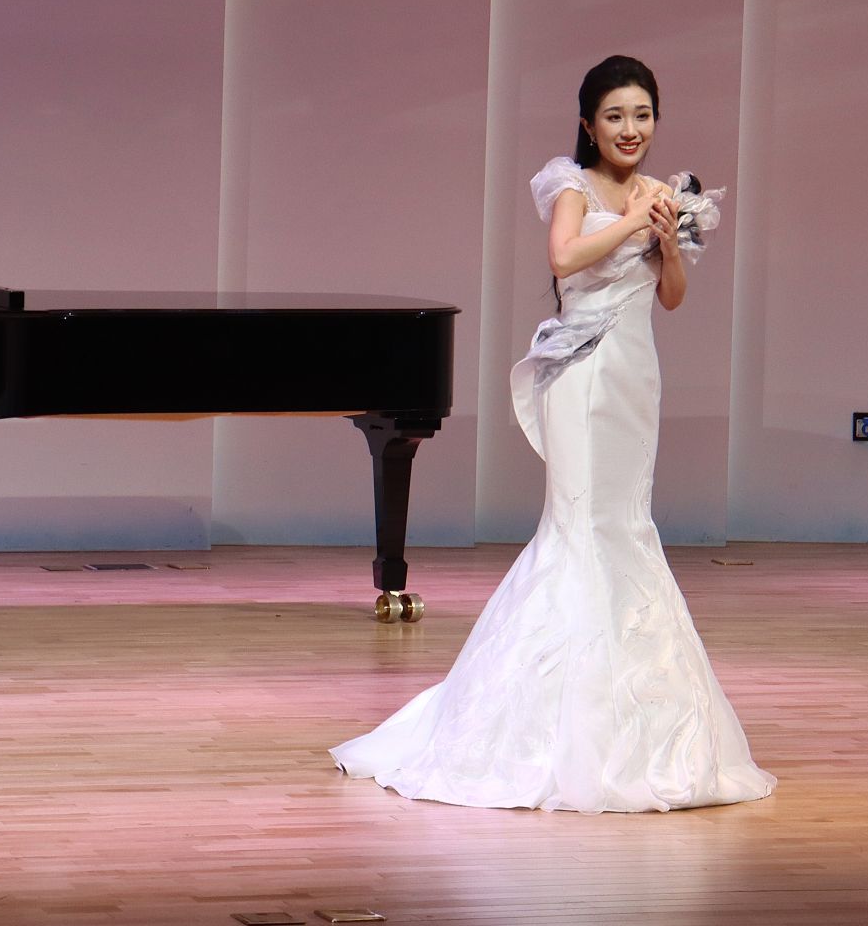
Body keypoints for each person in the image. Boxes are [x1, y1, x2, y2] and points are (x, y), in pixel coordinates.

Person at [331, 56, 774, 812]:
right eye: (615, 116)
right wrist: (635, 221)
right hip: (580, 372)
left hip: (635, 374)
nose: (630, 129)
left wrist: (668, 241)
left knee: (627, 523)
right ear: (588, 125)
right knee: (578, 524)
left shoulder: (667, 195)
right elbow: (564, 257)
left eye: (642, 114)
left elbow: (671, 297)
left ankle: (637, 717)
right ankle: (551, 717)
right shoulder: (572, 184)